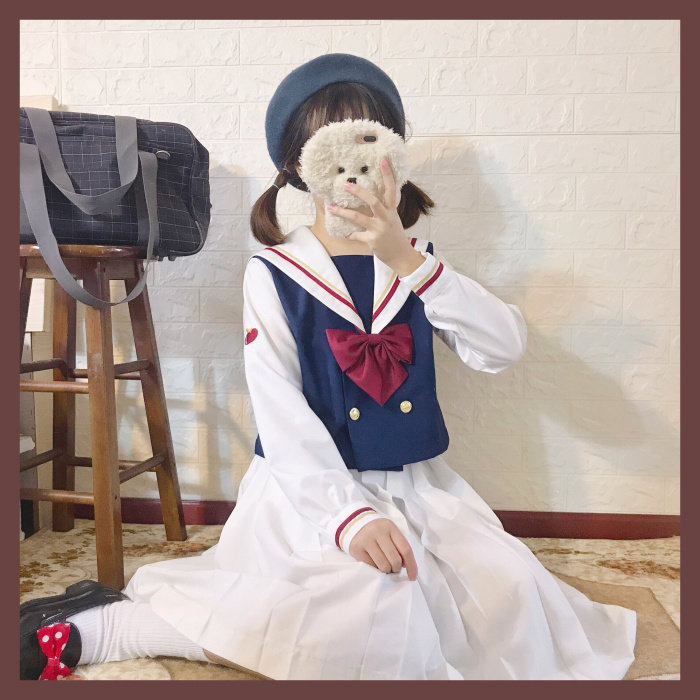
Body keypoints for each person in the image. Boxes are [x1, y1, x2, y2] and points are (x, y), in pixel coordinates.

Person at [20, 53, 637, 681]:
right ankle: (112, 627)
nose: (352, 166)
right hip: (309, 490)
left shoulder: (420, 262)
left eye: (368, 140)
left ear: (393, 153)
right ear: (297, 166)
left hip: (419, 487)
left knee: (513, 597)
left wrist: (407, 259)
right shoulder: (275, 273)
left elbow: (501, 348)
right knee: (373, 614)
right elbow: (280, 409)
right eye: (330, 145)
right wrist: (350, 516)